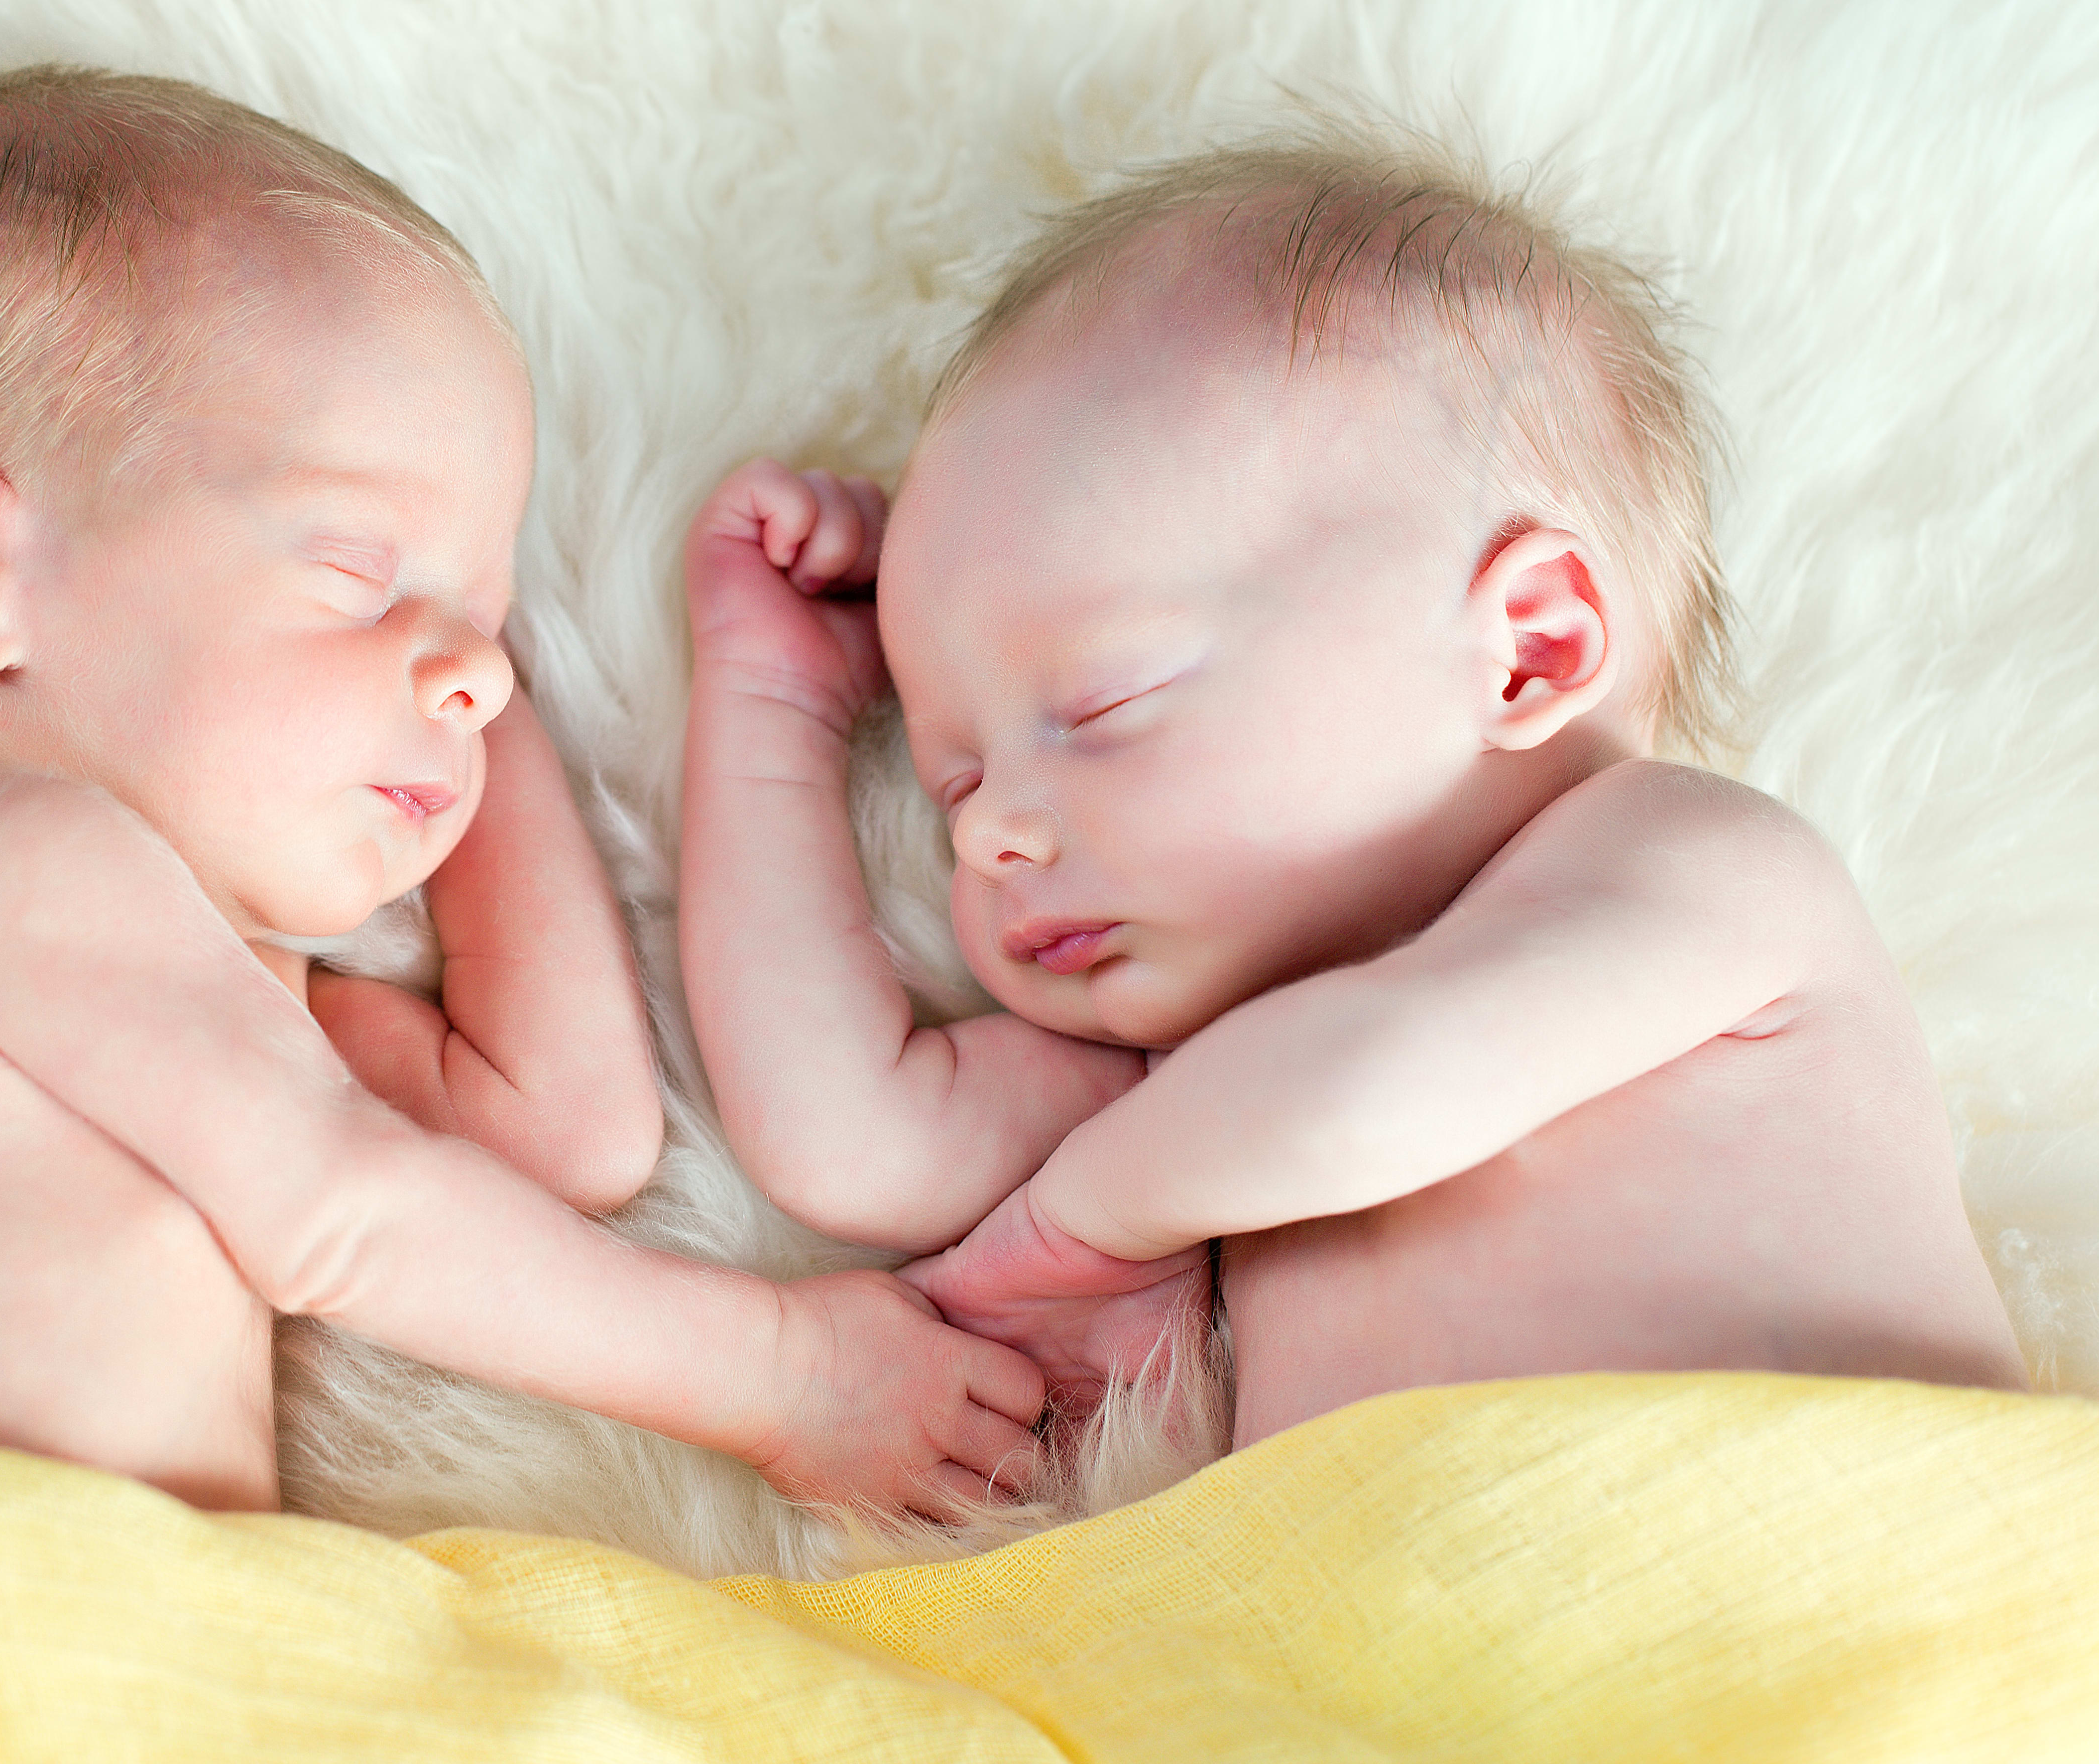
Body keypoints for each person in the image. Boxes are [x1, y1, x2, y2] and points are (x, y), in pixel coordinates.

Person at [0, 66, 1043, 1520]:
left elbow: (565, 1138)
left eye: (493, 616)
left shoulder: (182, 987)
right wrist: (779, 1374)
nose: (479, 675)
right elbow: (350, 1211)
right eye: (358, 575)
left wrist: (465, 680)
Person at [680, 126, 2027, 1456]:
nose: (985, 832)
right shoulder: (1187, 1084)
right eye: (952, 780)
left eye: (1104, 708)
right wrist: (774, 708)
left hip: (1855, 1560)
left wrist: (1074, 1228)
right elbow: (844, 1140)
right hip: (1411, 1605)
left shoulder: (1707, 866)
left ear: (1526, 650)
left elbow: (1367, 1093)